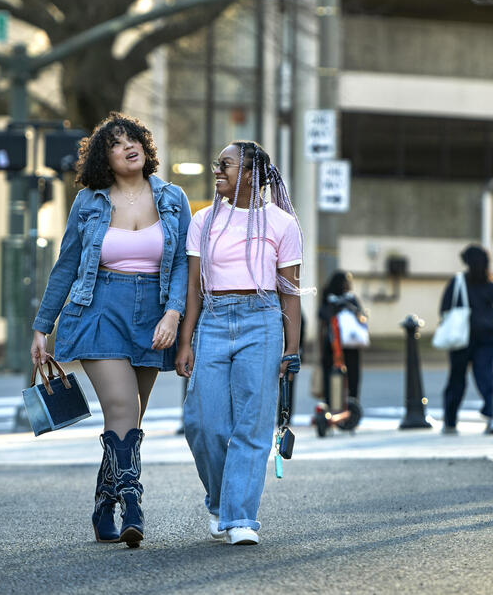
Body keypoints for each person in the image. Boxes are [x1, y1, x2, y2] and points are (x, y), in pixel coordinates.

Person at [30, 112, 191, 547]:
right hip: (99, 307)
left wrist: (173, 314)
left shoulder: (174, 198)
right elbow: (66, 266)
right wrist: (42, 327)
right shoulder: (90, 201)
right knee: (121, 406)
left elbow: (181, 265)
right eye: (116, 144)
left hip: (154, 315)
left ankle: (104, 501)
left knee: (129, 416)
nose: (128, 146)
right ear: (105, 159)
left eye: (132, 138)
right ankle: (132, 503)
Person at [175, 141, 302, 546]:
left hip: (262, 319)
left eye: (226, 165)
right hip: (212, 318)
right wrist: (185, 341)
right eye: (217, 164)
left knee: (252, 424)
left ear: (250, 173)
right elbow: (194, 288)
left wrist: (292, 348)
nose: (218, 170)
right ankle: (219, 501)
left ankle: (241, 518)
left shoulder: (282, 224)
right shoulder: (203, 220)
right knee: (202, 423)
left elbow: (291, 292)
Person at [439, 244, 493, 435]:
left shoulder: (457, 282)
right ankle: (492, 415)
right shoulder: (491, 286)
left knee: (457, 379)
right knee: (486, 377)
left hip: (461, 338)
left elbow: (444, 309)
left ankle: (450, 420)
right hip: (487, 336)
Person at [317, 270, 366, 410]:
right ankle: (331, 407)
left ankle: (352, 407)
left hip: (351, 346)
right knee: (330, 378)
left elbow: (361, 318)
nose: (348, 285)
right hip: (332, 345)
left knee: (353, 378)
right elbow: (322, 323)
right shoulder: (329, 298)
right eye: (346, 281)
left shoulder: (351, 299)